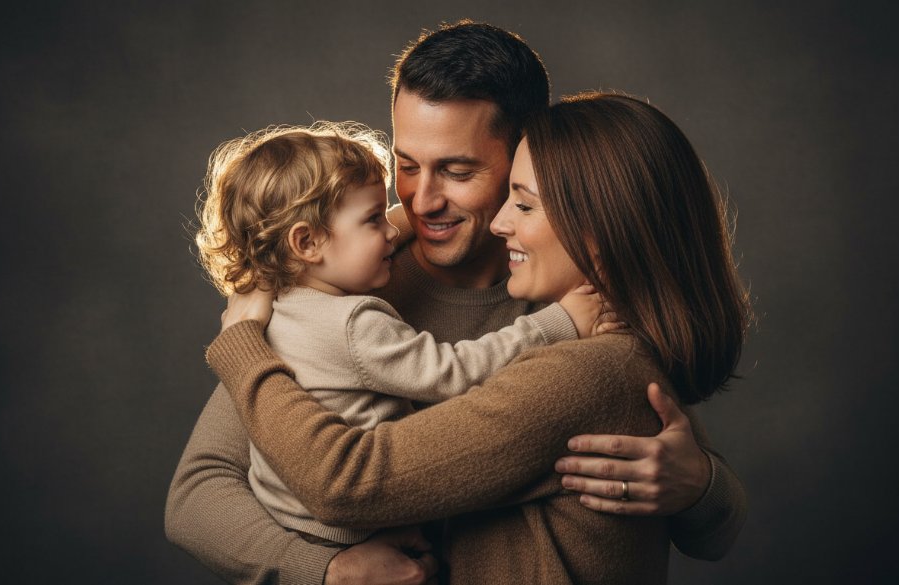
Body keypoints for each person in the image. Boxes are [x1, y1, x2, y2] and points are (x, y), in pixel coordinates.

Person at [166, 21, 747, 585]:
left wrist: (700, 484)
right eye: (408, 166)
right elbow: (198, 492)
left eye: (458, 170)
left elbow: (710, 526)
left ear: (527, 159)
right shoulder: (341, 287)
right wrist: (327, 571)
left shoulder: (571, 306)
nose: (422, 199)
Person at [193, 121, 610, 547]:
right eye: (375, 219)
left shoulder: (272, 308)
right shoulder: (355, 321)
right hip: (352, 536)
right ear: (307, 242)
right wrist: (561, 322)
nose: (397, 226)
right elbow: (454, 372)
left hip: (290, 522)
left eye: (458, 171)